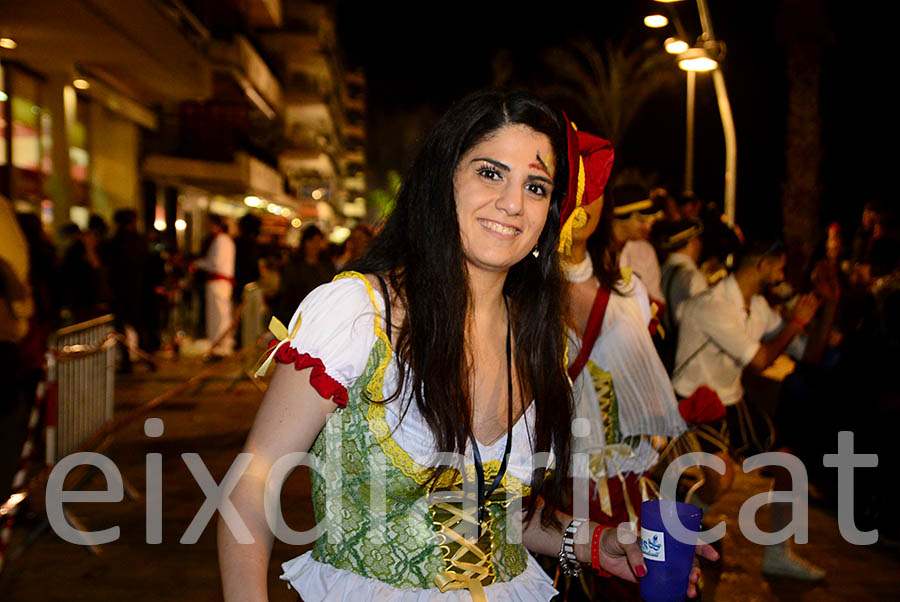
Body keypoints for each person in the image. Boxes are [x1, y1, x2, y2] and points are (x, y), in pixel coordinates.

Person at [218, 90, 714, 602]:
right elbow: (253, 485)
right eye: (491, 172)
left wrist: (594, 543)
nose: (512, 203)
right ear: (444, 180)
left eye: (537, 186)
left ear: (552, 216)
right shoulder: (357, 313)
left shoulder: (540, 344)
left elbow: (505, 519)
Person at [559, 131, 688, 571]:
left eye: (588, 186)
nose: (578, 200)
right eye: (563, 185)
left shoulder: (627, 290)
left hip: (621, 488)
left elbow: (649, 408)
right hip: (540, 495)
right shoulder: (510, 295)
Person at [673, 238, 834, 580]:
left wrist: (829, 305)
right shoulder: (712, 305)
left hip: (731, 400)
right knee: (721, 481)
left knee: (789, 465)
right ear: (762, 264)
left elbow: (810, 354)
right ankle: (679, 533)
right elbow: (761, 361)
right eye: (779, 266)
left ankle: (777, 555)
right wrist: (796, 322)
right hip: (694, 402)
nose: (781, 275)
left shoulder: (756, 306)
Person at [609, 184, 664, 303]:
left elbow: (657, 301)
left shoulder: (645, 251)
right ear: (621, 216)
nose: (648, 225)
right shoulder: (592, 247)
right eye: (641, 219)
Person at [193, 214, 236, 359]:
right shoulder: (222, 240)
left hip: (219, 282)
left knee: (219, 315)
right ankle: (219, 345)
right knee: (218, 314)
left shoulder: (221, 240)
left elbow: (215, 264)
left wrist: (198, 264)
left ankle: (220, 347)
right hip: (218, 282)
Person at [276, 225, 334, 325]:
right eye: (312, 241)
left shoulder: (326, 266)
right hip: (297, 316)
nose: (315, 245)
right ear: (305, 242)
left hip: (320, 316)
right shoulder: (294, 266)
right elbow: (285, 294)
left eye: (318, 241)